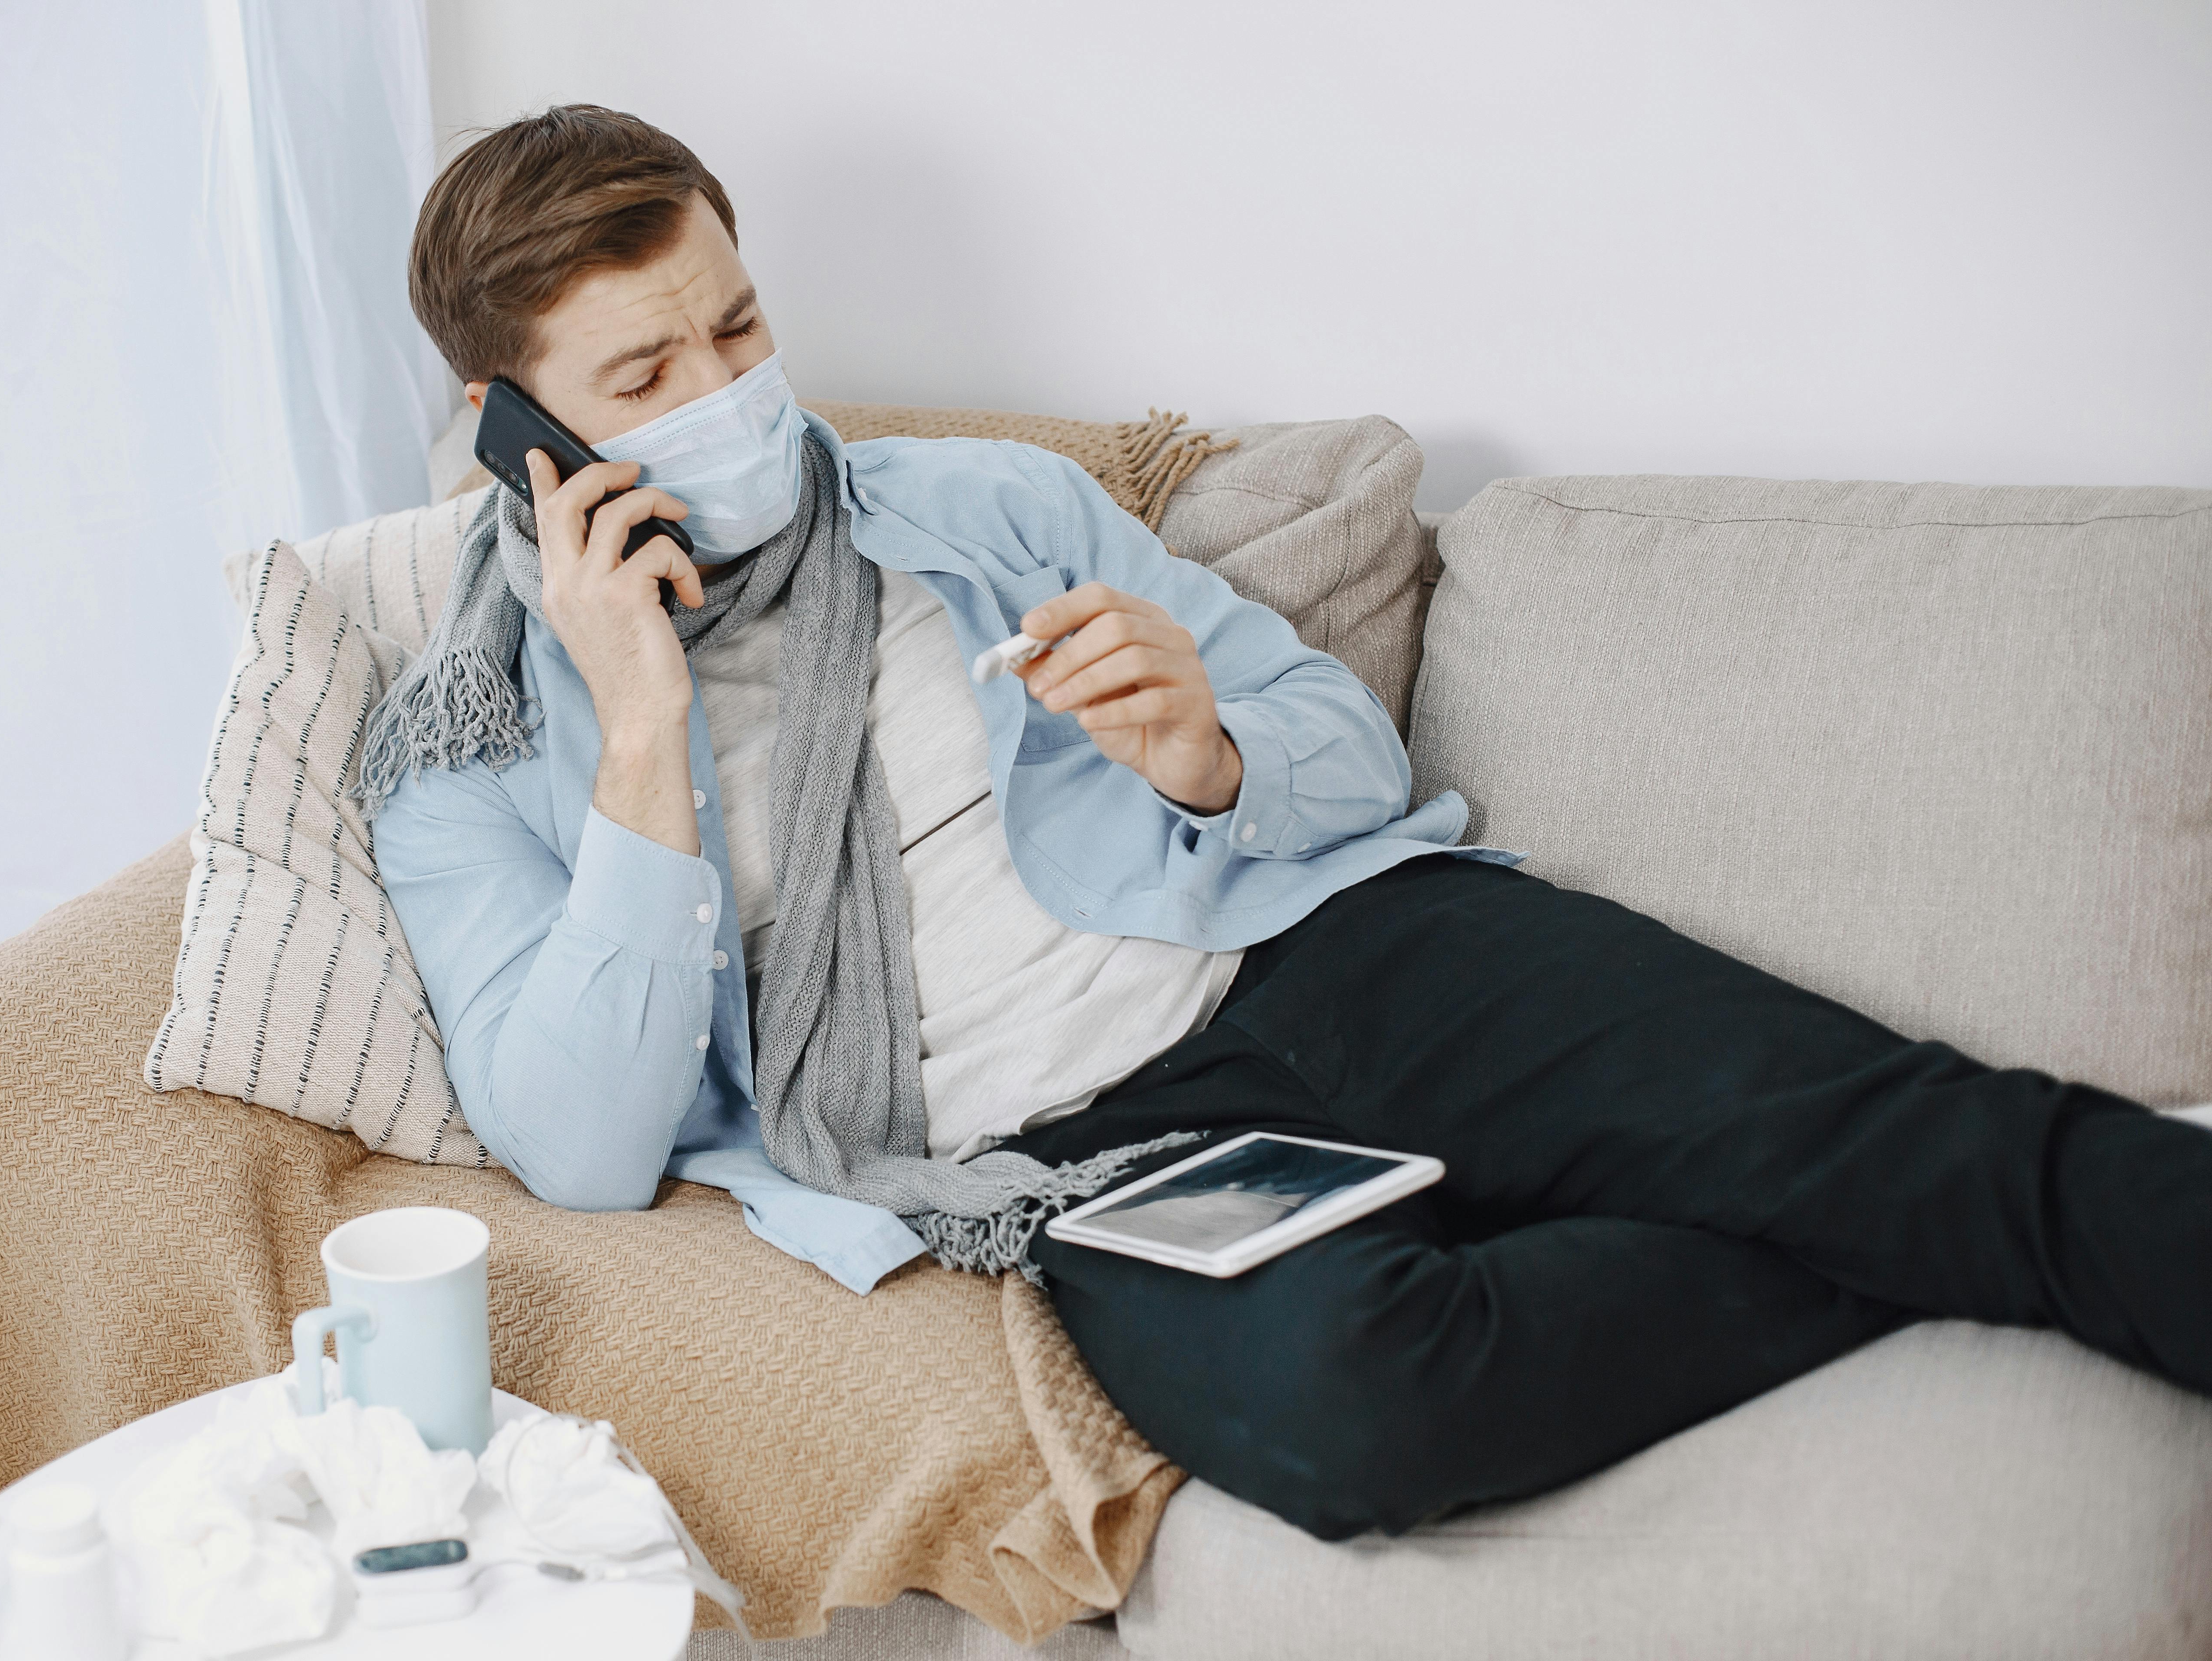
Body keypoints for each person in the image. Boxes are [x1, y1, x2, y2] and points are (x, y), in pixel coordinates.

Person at [368, 105, 2212, 1540]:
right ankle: (1891, 1224)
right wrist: (638, 741)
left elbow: (1346, 756)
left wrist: (1207, 755)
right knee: (1357, 1418)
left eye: (740, 325)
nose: (730, 395)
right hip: (1081, 1149)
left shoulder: (992, 507)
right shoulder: (463, 748)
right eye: (647, 377)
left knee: (1897, 1127)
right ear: (508, 420)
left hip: (1331, 948)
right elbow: (588, 1152)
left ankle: (1960, 1202)